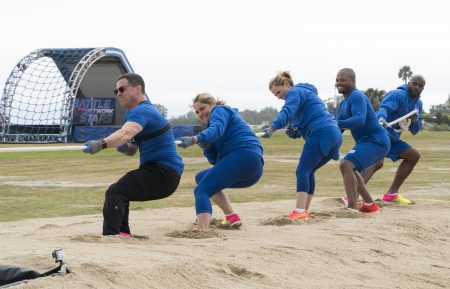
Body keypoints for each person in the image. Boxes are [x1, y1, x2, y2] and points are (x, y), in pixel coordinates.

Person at [83, 73, 184, 236]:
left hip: (163, 172)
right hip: (162, 172)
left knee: (115, 192)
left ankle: (112, 237)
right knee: (121, 192)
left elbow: (125, 133)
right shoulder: (137, 112)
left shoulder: (143, 110)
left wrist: (101, 144)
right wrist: (125, 148)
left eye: (122, 89)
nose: (118, 94)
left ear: (138, 89)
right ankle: (123, 234)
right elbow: (132, 149)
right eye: (116, 91)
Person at [176, 93, 263, 231]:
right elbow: (216, 162)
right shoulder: (210, 129)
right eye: (197, 112)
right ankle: (231, 217)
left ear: (212, 103)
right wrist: (207, 147)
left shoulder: (221, 110)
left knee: (202, 190)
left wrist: (195, 139)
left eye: (203, 108)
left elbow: (217, 128)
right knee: (201, 178)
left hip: (243, 156)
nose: (200, 114)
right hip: (252, 168)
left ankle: (201, 230)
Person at [262, 71, 342, 219]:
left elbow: (286, 111)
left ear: (287, 84)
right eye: (276, 95)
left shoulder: (295, 92)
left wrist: (273, 127)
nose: (279, 97)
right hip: (333, 133)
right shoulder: (304, 95)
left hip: (322, 132)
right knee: (308, 171)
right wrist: (294, 132)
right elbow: (303, 123)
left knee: (302, 171)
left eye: (279, 92)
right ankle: (304, 210)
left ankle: (299, 211)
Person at [360, 75, 426, 205]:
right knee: (377, 162)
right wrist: (381, 119)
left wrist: (415, 120)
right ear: (409, 83)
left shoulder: (418, 104)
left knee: (413, 156)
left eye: (420, 86)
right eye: (414, 84)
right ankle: (352, 194)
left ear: (423, 88)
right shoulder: (398, 94)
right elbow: (384, 108)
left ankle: (391, 194)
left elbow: (415, 131)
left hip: (392, 138)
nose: (416, 87)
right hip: (379, 133)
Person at [335, 68, 390, 212]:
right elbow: (338, 128)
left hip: (377, 140)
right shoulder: (344, 103)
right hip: (366, 141)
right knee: (351, 167)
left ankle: (352, 208)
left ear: (353, 81)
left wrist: (337, 123)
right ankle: (369, 204)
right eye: (337, 80)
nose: (339, 83)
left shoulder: (357, 96)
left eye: (343, 80)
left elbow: (359, 119)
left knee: (346, 164)